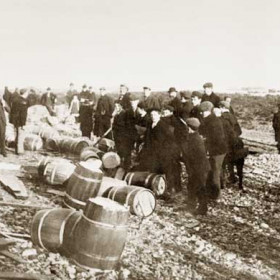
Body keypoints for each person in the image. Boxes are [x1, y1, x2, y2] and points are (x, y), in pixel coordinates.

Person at [140, 108, 181, 197]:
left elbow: (169, 139)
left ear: (159, 115)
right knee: (155, 170)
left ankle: (171, 189)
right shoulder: (150, 124)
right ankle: (157, 188)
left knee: (167, 171)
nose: (153, 117)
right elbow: (147, 137)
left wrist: (165, 150)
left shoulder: (163, 126)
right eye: (151, 115)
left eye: (155, 115)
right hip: (153, 153)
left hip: (164, 153)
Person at [199, 101, 227, 199]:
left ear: (208, 111)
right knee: (213, 171)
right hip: (217, 150)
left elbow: (216, 138)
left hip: (217, 150)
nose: (202, 113)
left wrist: (206, 141)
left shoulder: (212, 122)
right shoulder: (211, 119)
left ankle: (216, 195)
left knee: (215, 172)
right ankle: (213, 192)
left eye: (203, 111)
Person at [185, 118, 210, 215]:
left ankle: (202, 209)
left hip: (199, 168)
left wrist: (192, 169)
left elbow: (198, 157)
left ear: (189, 128)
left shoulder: (195, 140)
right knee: (191, 186)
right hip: (197, 168)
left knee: (200, 188)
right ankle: (191, 205)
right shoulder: (193, 137)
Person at [9, 89, 30, 155]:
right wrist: (23, 124)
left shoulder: (15, 100)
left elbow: (11, 111)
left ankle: (16, 149)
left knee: (16, 135)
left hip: (15, 121)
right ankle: (20, 151)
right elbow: (23, 114)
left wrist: (12, 121)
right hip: (20, 121)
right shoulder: (24, 102)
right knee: (21, 136)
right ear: (25, 93)